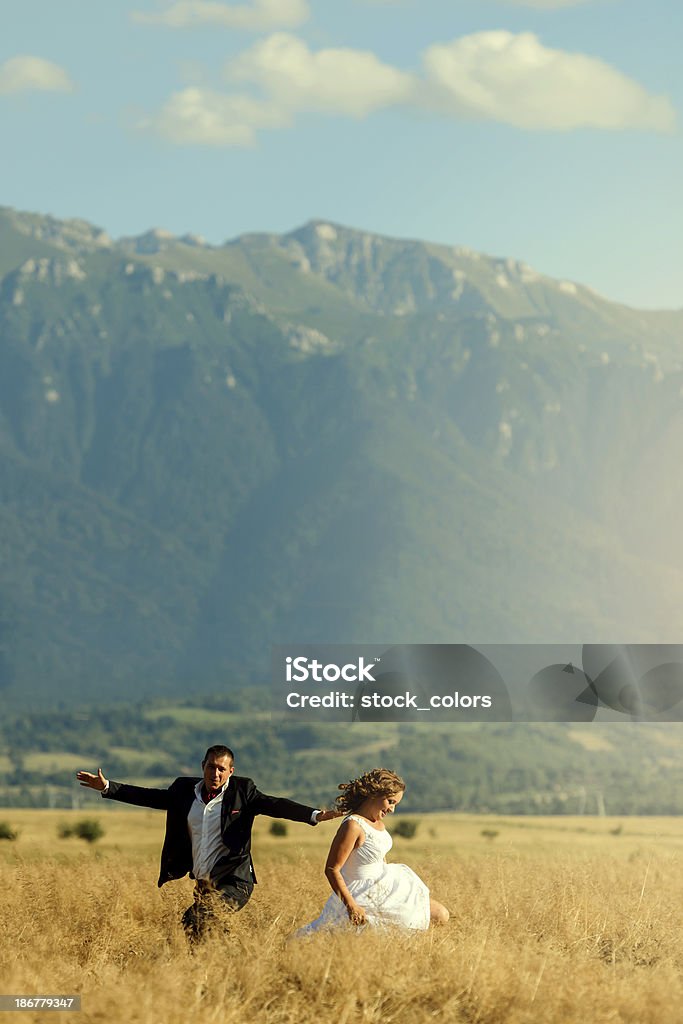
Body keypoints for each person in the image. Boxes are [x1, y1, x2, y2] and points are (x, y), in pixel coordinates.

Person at [76, 744, 339, 940]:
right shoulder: (183, 790)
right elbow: (150, 797)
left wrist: (314, 814)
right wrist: (107, 787)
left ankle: (216, 966)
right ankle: (212, 970)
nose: (215, 772)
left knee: (198, 918)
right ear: (203, 765)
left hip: (235, 880)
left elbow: (276, 805)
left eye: (221, 768)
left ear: (230, 771)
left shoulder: (242, 792)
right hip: (203, 882)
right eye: (211, 766)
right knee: (201, 931)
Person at [296, 768, 449, 935]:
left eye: (395, 804)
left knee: (440, 915)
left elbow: (378, 857)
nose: (392, 809)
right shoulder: (353, 825)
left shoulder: (377, 822)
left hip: (386, 885)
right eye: (390, 801)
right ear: (374, 794)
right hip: (360, 894)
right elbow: (332, 869)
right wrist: (351, 905)